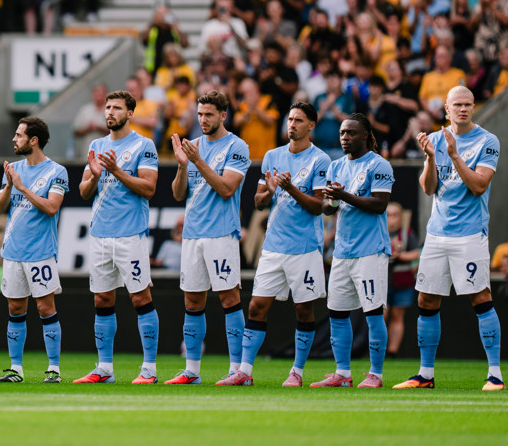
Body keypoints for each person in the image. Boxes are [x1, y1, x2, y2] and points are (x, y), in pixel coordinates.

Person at [395, 86, 503, 391]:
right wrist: (430, 158)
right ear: (446, 108)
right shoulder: (436, 139)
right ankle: (425, 375)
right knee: (426, 299)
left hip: (470, 233)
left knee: (480, 297)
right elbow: (428, 188)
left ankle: (495, 374)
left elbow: (479, 186)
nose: (464, 109)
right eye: (458, 104)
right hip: (437, 233)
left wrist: (454, 155)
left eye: (468, 103)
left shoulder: (486, 140)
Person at [234, 102, 331, 386]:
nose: (292, 125)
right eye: (290, 119)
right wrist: (271, 192)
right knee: (256, 307)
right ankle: (245, 372)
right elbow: (258, 202)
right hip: (274, 245)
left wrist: (290, 189)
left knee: (303, 310)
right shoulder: (272, 156)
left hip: (305, 247)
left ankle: (297, 372)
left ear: (311, 125)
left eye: (298, 120)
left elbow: (317, 206)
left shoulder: (320, 160)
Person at [166, 90, 250, 385]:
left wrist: (198, 161)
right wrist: (182, 165)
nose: (203, 120)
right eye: (200, 114)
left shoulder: (237, 147)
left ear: (223, 115)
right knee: (192, 301)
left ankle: (238, 370)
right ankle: (191, 370)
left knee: (229, 297)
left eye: (209, 115)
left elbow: (227, 188)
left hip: (221, 233)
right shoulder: (193, 147)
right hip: (192, 234)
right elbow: (178, 194)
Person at [76, 90, 159, 384]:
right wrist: (96, 175)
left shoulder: (144, 145)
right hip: (100, 234)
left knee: (140, 297)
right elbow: (84, 192)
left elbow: (148, 188)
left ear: (130, 113)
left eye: (116, 108)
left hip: (130, 234)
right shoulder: (97, 144)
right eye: (108, 107)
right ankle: (104, 369)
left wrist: (117, 171)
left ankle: (149, 368)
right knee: (102, 298)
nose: (109, 112)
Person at [315, 113, 394, 388]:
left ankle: (376, 374)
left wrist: (343, 195)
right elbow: (327, 208)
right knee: (337, 312)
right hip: (342, 251)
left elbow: (379, 205)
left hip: (370, 250)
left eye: (350, 133)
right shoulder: (335, 166)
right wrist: (332, 201)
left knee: (372, 312)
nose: (345, 137)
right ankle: (343, 373)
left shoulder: (379, 165)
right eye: (342, 133)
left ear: (365, 135)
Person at [0, 117, 68, 383]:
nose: (14, 139)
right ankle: (16, 369)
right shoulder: (12, 168)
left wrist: (22, 187)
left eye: (19, 135)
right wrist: (11, 184)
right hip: (13, 251)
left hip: (40, 252)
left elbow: (51, 208)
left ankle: (54, 370)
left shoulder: (57, 171)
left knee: (46, 308)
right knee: (15, 307)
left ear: (33, 140)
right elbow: (0, 208)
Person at [385, 202, 419, 358]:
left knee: (398, 316)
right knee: (382, 315)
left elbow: (418, 253)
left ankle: (393, 351)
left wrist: (401, 256)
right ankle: (377, 348)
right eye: (388, 214)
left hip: (402, 280)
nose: (391, 219)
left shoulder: (407, 233)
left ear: (400, 217)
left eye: (395, 215)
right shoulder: (378, 232)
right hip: (382, 281)